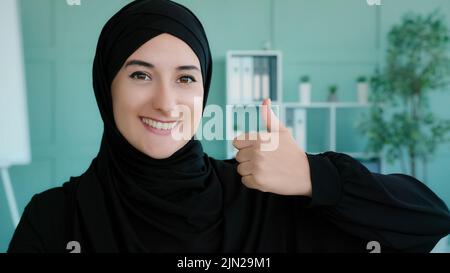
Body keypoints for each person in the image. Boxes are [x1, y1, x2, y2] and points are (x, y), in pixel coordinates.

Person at [8, 0, 450, 253]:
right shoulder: (55, 219)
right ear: (107, 87)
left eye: (185, 78)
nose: (166, 103)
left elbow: (430, 220)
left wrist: (317, 177)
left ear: (204, 91)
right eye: (140, 74)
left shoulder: (261, 198)